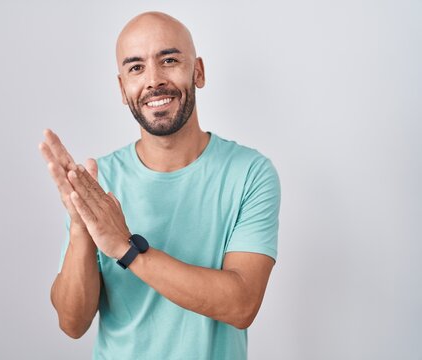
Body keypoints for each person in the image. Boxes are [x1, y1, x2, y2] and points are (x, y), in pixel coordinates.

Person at [39, 11, 281, 360]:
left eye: (169, 60)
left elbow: (242, 304)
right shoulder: (98, 181)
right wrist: (81, 228)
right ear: (122, 89)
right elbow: (72, 323)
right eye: (136, 68)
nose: (153, 81)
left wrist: (126, 248)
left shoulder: (250, 173)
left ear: (198, 71)